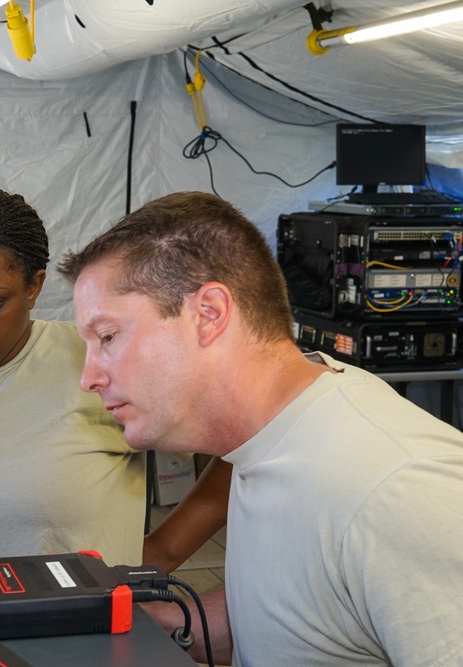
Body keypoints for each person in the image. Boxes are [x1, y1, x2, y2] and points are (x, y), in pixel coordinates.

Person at [57, 191, 463, 666]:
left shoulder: (398, 492)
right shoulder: (266, 439)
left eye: (107, 337)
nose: (89, 378)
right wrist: (150, 617)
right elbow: (302, 613)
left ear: (208, 314)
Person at [0, 183, 230, 571]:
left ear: (33, 287)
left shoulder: (96, 363)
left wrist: (162, 551)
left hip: (76, 622)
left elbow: (236, 435)